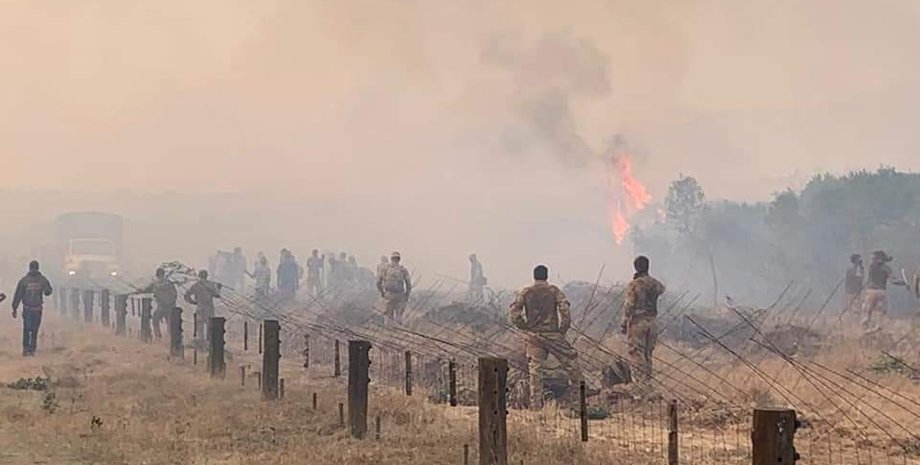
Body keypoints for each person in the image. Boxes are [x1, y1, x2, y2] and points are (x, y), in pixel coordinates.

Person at [509, 264, 583, 409]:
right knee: (571, 363)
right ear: (546, 276)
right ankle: (579, 401)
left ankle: (536, 405)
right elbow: (565, 311)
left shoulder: (526, 292)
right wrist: (562, 329)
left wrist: (524, 327)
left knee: (535, 371)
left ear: (534, 276)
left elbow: (514, 313)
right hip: (553, 334)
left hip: (534, 336)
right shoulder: (553, 291)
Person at [621, 255, 665, 389]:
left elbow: (629, 305)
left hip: (638, 322)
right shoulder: (655, 284)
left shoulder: (634, 285)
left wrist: (624, 322)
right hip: (652, 322)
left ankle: (640, 385)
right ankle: (648, 381)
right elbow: (661, 289)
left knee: (636, 353)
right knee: (647, 353)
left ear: (636, 267)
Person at [11, 261, 53, 356]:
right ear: (38, 268)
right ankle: (31, 349)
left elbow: (18, 295)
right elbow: (49, 291)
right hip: (36, 309)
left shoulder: (24, 280)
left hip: (28, 309)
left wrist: (14, 308)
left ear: (29, 268)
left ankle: (26, 349)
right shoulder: (42, 280)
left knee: (27, 329)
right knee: (34, 330)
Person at [861, 250, 905, 333]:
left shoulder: (872, 266)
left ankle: (865, 328)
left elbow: (873, 261)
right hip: (881, 292)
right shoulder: (886, 268)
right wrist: (903, 283)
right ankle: (876, 327)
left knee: (868, 312)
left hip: (870, 291)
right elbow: (893, 281)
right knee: (881, 311)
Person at [137, 268, 178, 340]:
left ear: (157, 275)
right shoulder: (169, 283)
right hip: (170, 306)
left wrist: (139, 290)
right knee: (169, 322)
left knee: (155, 320)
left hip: (162, 306)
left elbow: (145, 290)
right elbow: (175, 294)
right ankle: (170, 337)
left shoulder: (155, 284)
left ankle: (158, 335)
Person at [184, 270, 222, 342]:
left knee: (200, 328)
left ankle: (201, 343)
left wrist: (193, 302)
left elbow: (186, 295)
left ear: (199, 276)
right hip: (209, 309)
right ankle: (209, 343)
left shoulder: (196, 285)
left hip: (200, 308)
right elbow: (217, 295)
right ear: (207, 276)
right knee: (210, 327)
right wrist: (218, 287)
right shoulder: (211, 285)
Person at [377, 251, 412, 324]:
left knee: (388, 316)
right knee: (399, 316)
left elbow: (378, 282)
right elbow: (408, 284)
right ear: (399, 259)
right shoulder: (403, 269)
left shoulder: (385, 269)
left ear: (391, 258)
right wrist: (406, 295)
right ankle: (398, 332)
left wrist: (383, 293)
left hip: (389, 295)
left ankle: (387, 333)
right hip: (400, 295)